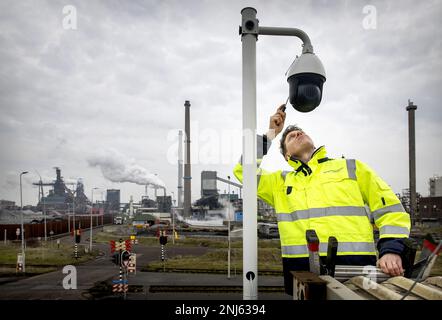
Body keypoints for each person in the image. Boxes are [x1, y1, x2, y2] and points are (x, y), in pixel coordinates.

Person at [233, 104, 411, 295]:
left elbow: (390, 209)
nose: (298, 134)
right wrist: (269, 135)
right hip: (303, 275)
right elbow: (243, 171)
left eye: (301, 132)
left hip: (358, 269)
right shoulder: (280, 183)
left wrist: (391, 249)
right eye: (292, 136)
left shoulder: (350, 167)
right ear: (287, 155)